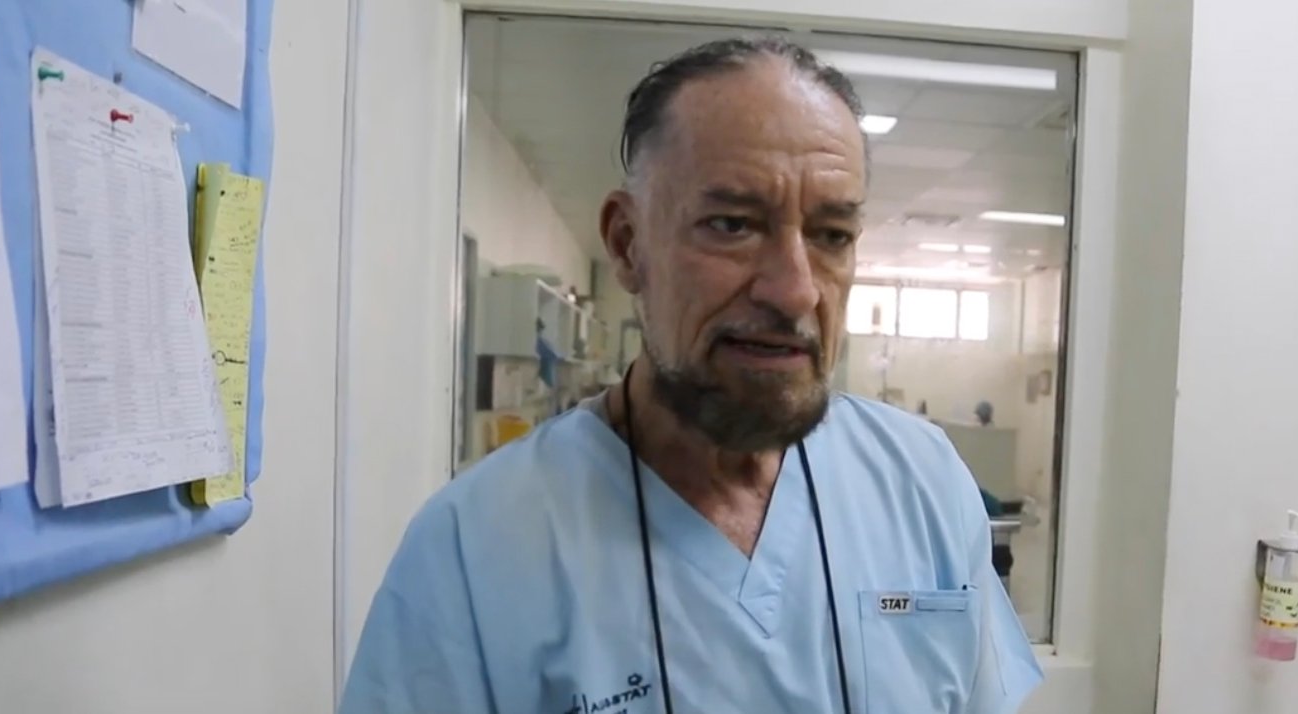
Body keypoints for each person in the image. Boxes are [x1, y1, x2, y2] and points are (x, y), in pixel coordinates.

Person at [339, 37, 1042, 714]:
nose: (796, 290)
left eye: (832, 235)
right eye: (733, 224)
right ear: (628, 244)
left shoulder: (921, 481)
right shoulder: (475, 546)